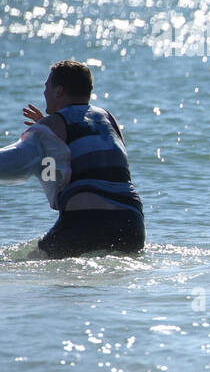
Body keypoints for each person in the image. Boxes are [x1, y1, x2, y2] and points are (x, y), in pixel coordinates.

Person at [14, 60, 145, 258]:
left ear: (59, 92)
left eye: (46, 87)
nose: (44, 93)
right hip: (131, 223)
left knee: (25, 263)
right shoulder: (108, 118)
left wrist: (44, 136)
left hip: (85, 221)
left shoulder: (52, 125)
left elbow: (53, 191)